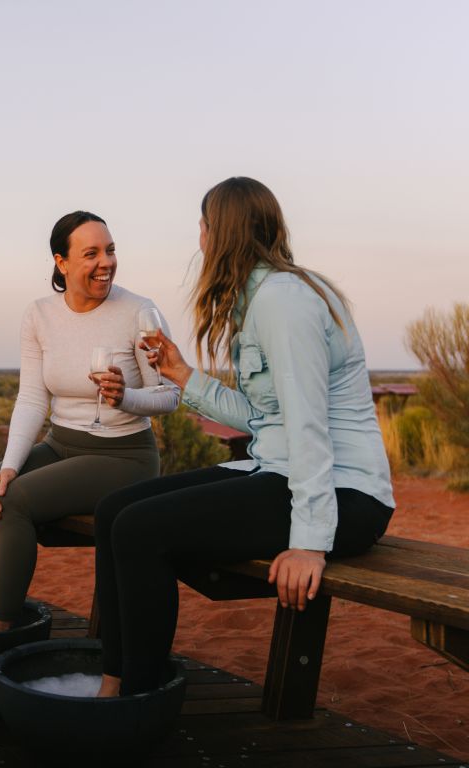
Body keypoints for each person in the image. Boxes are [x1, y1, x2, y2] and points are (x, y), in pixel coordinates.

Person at [93, 177, 395, 696]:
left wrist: (309, 544)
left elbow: (306, 426)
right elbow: (264, 417)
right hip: (281, 471)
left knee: (140, 530)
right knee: (114, 511)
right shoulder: (258, 299)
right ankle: (112, 681)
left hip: (345, 495)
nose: (201, 239)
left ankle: (138, 702)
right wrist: (183, 374)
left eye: (204, 226)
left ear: (223, 233)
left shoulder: (283, 301)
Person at [0, 211, 180, 633]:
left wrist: (127, 396)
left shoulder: (140, 312)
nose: (107, 262)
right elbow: (31, 397)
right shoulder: (40, 315)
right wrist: (10, 465)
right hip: (61, 444)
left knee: (16, 501)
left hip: (123, 456)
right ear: (61, 262)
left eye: (111, 250)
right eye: (92, 253)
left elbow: (170, 395)